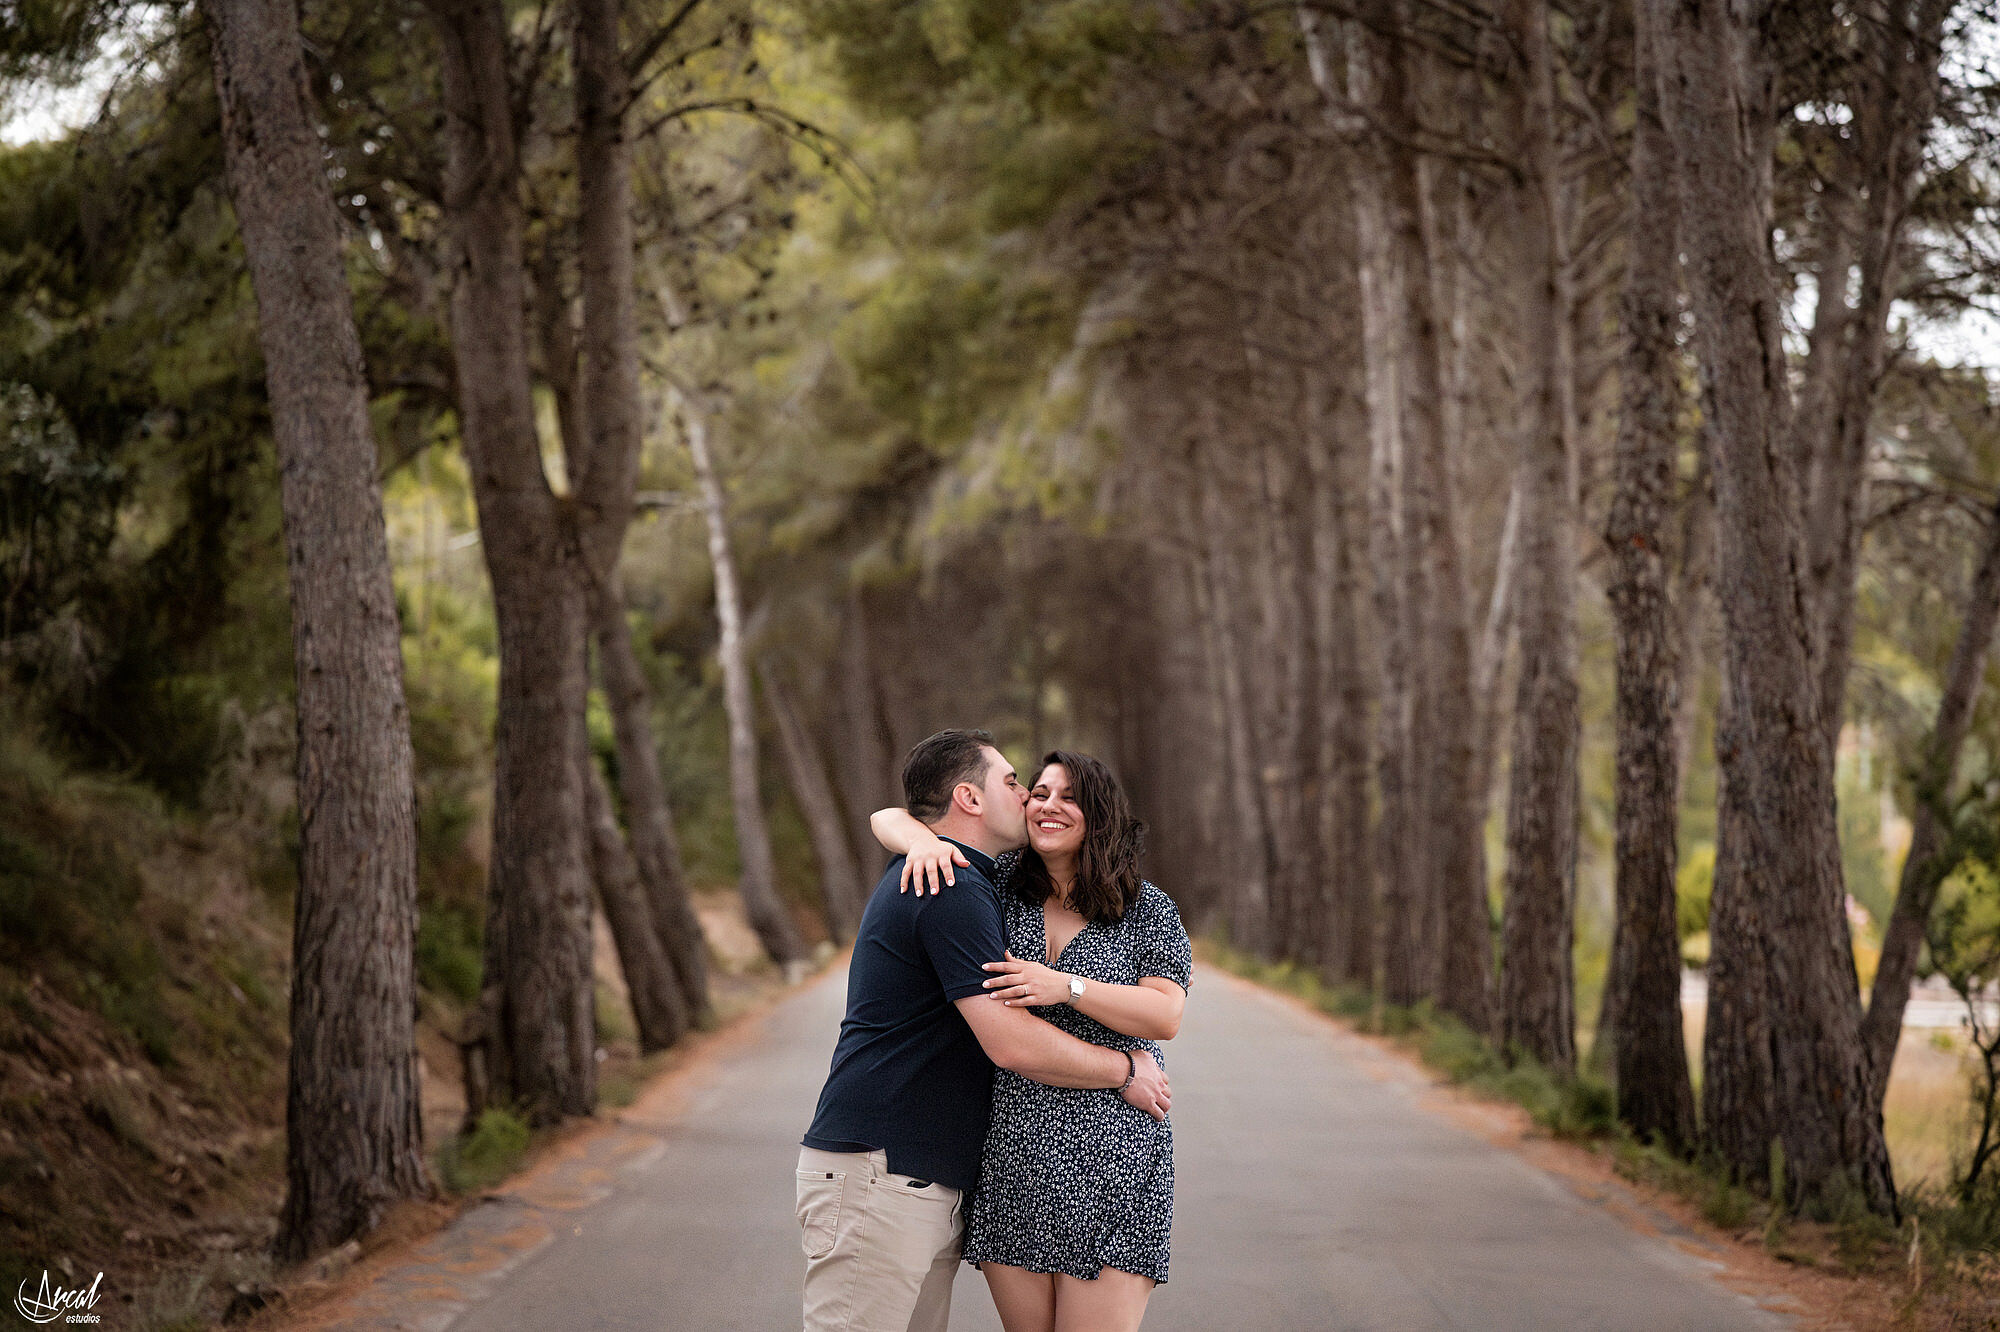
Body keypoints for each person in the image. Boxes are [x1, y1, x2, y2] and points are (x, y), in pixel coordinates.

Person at [798, 729, 1171, 1332]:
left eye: (1064, 795)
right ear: (970, 799)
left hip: (982, 1171)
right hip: (910, 1168)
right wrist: (1125, 1070)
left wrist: (1067, 986)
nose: (1031, 800)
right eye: (1021, 784)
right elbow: (1010, 1041)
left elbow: (1166, 1014)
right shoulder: (962, 884)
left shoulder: (1126, 905)